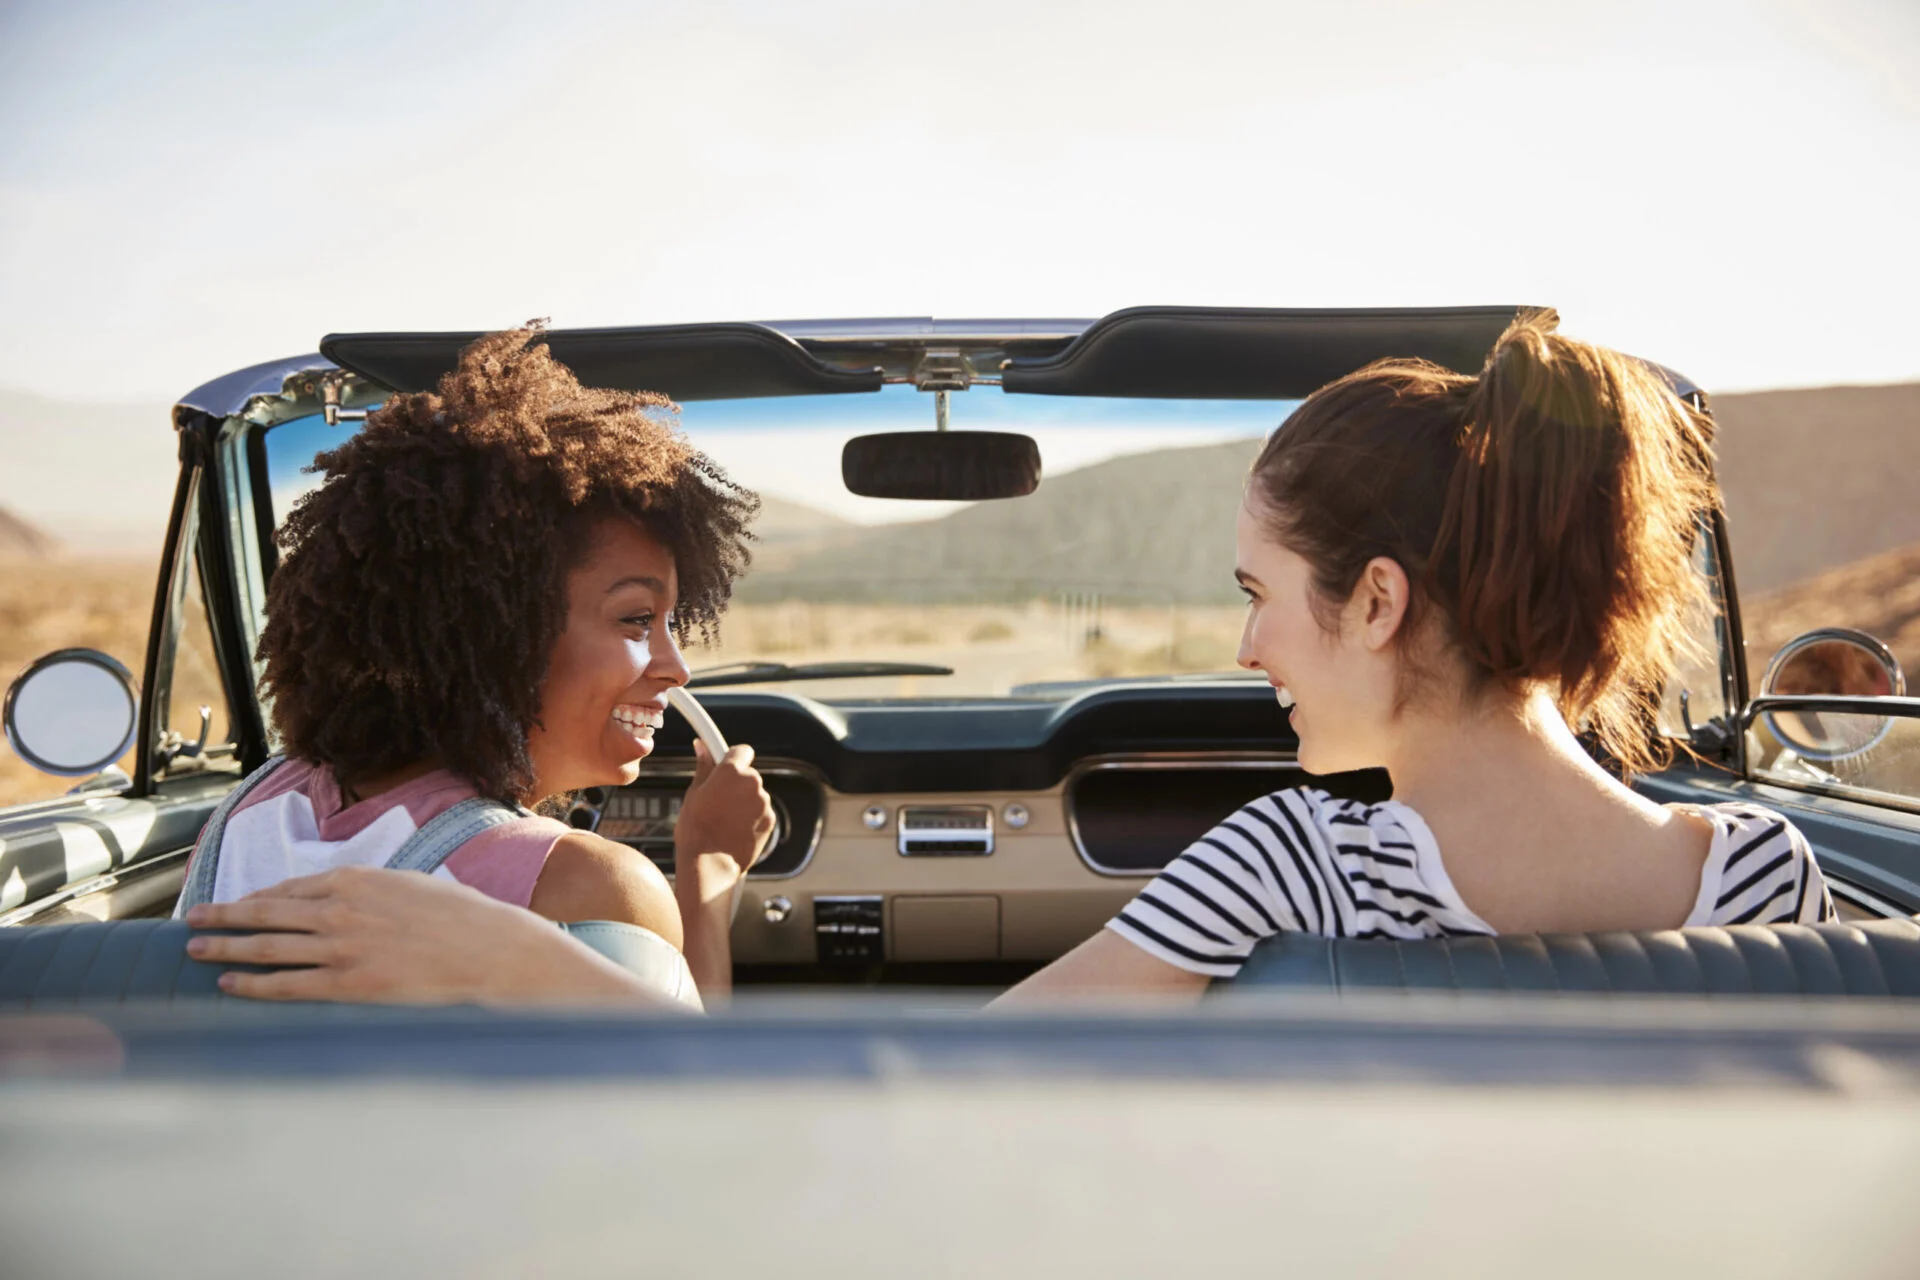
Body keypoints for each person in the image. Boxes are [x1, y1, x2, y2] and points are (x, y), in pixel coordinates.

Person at [186, 311, 1834, 1006]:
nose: (1249, 644)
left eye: (1259, 592)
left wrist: (555, 974)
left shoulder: (1284, 869)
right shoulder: (1770, 873)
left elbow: (907, 1108)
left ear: (1383, 603)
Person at [177, 325, 775, 1003]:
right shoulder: (585, 885)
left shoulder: (247, 815)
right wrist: (710, 870)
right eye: (638, 619)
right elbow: (693, 1091)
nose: (675, 668)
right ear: (499, 632)